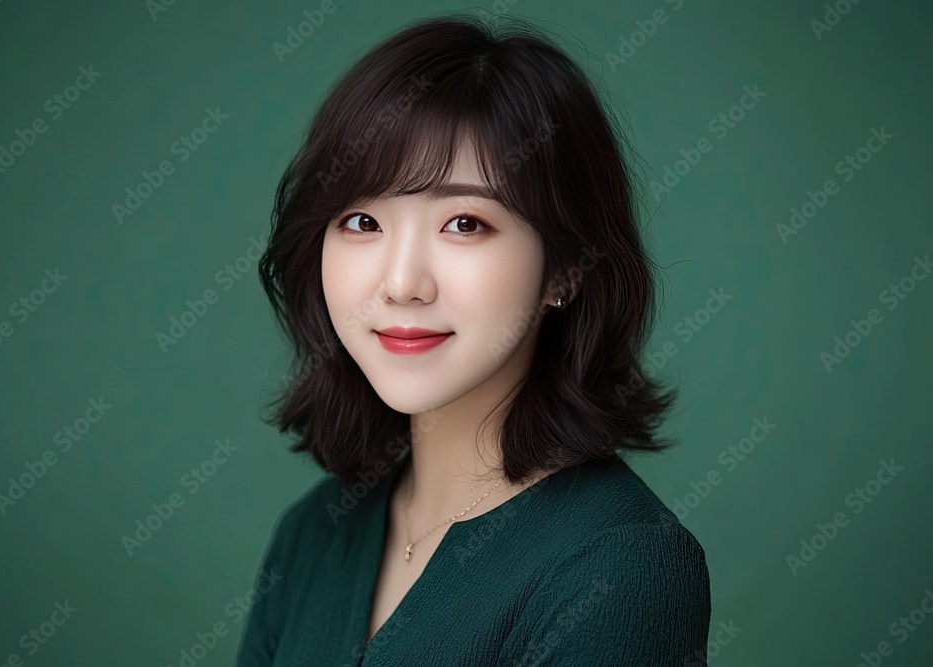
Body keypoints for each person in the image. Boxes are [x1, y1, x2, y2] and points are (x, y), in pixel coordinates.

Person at [237, 13, 711, 667]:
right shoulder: (313, 533)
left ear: (565, 268)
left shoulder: (621, 564)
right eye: (363, 220)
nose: (402, 283)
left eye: (464, 223)